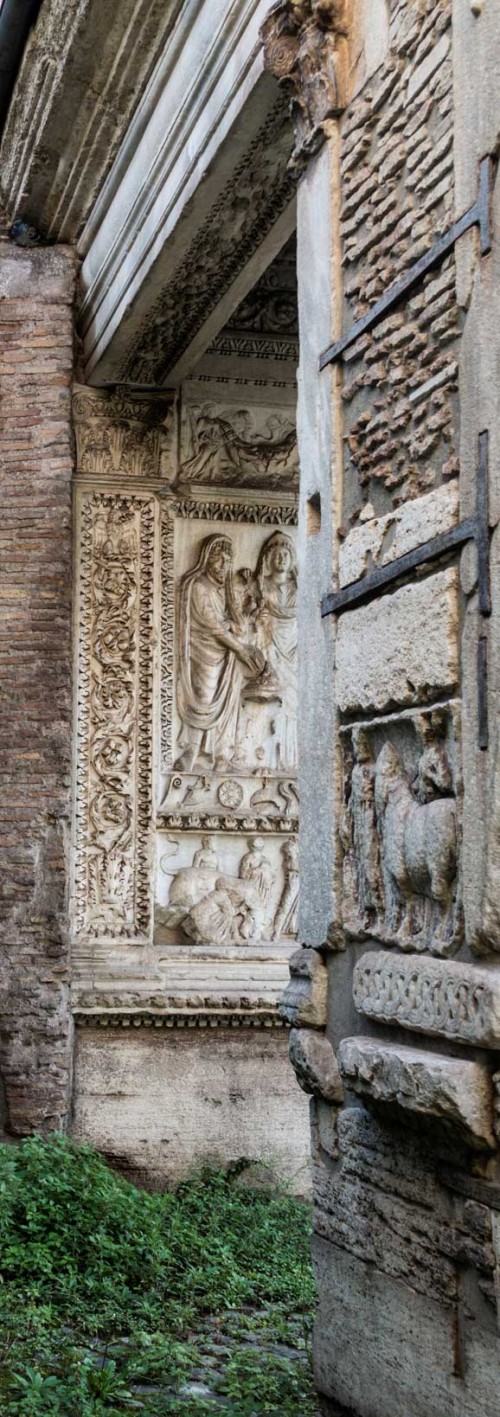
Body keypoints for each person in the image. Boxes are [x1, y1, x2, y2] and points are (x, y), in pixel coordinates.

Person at [175, 534, 265, 771]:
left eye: (228, 561)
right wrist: (241, 649)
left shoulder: (220, 591)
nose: (224, 566)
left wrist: (241, 615)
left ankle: (221, 754)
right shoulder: (199, 587)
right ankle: (191, 752)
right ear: (207, 558)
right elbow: (212, 625)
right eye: (220, 560)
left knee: (229, 701)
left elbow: (228, 622)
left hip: (226, 654)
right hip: (203, 652)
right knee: (203, 698)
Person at [253, 532, 298, 770]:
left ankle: (291, 758)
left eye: (285, 554)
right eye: (277, 555)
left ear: (292, 559)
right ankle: (270, 757)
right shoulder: (264, 586)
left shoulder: (297, 588)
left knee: (293, 701)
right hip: (273, 645)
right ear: (269, 559)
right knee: (274, 698)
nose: (281, 559)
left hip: (295, 648)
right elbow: (258, 619)